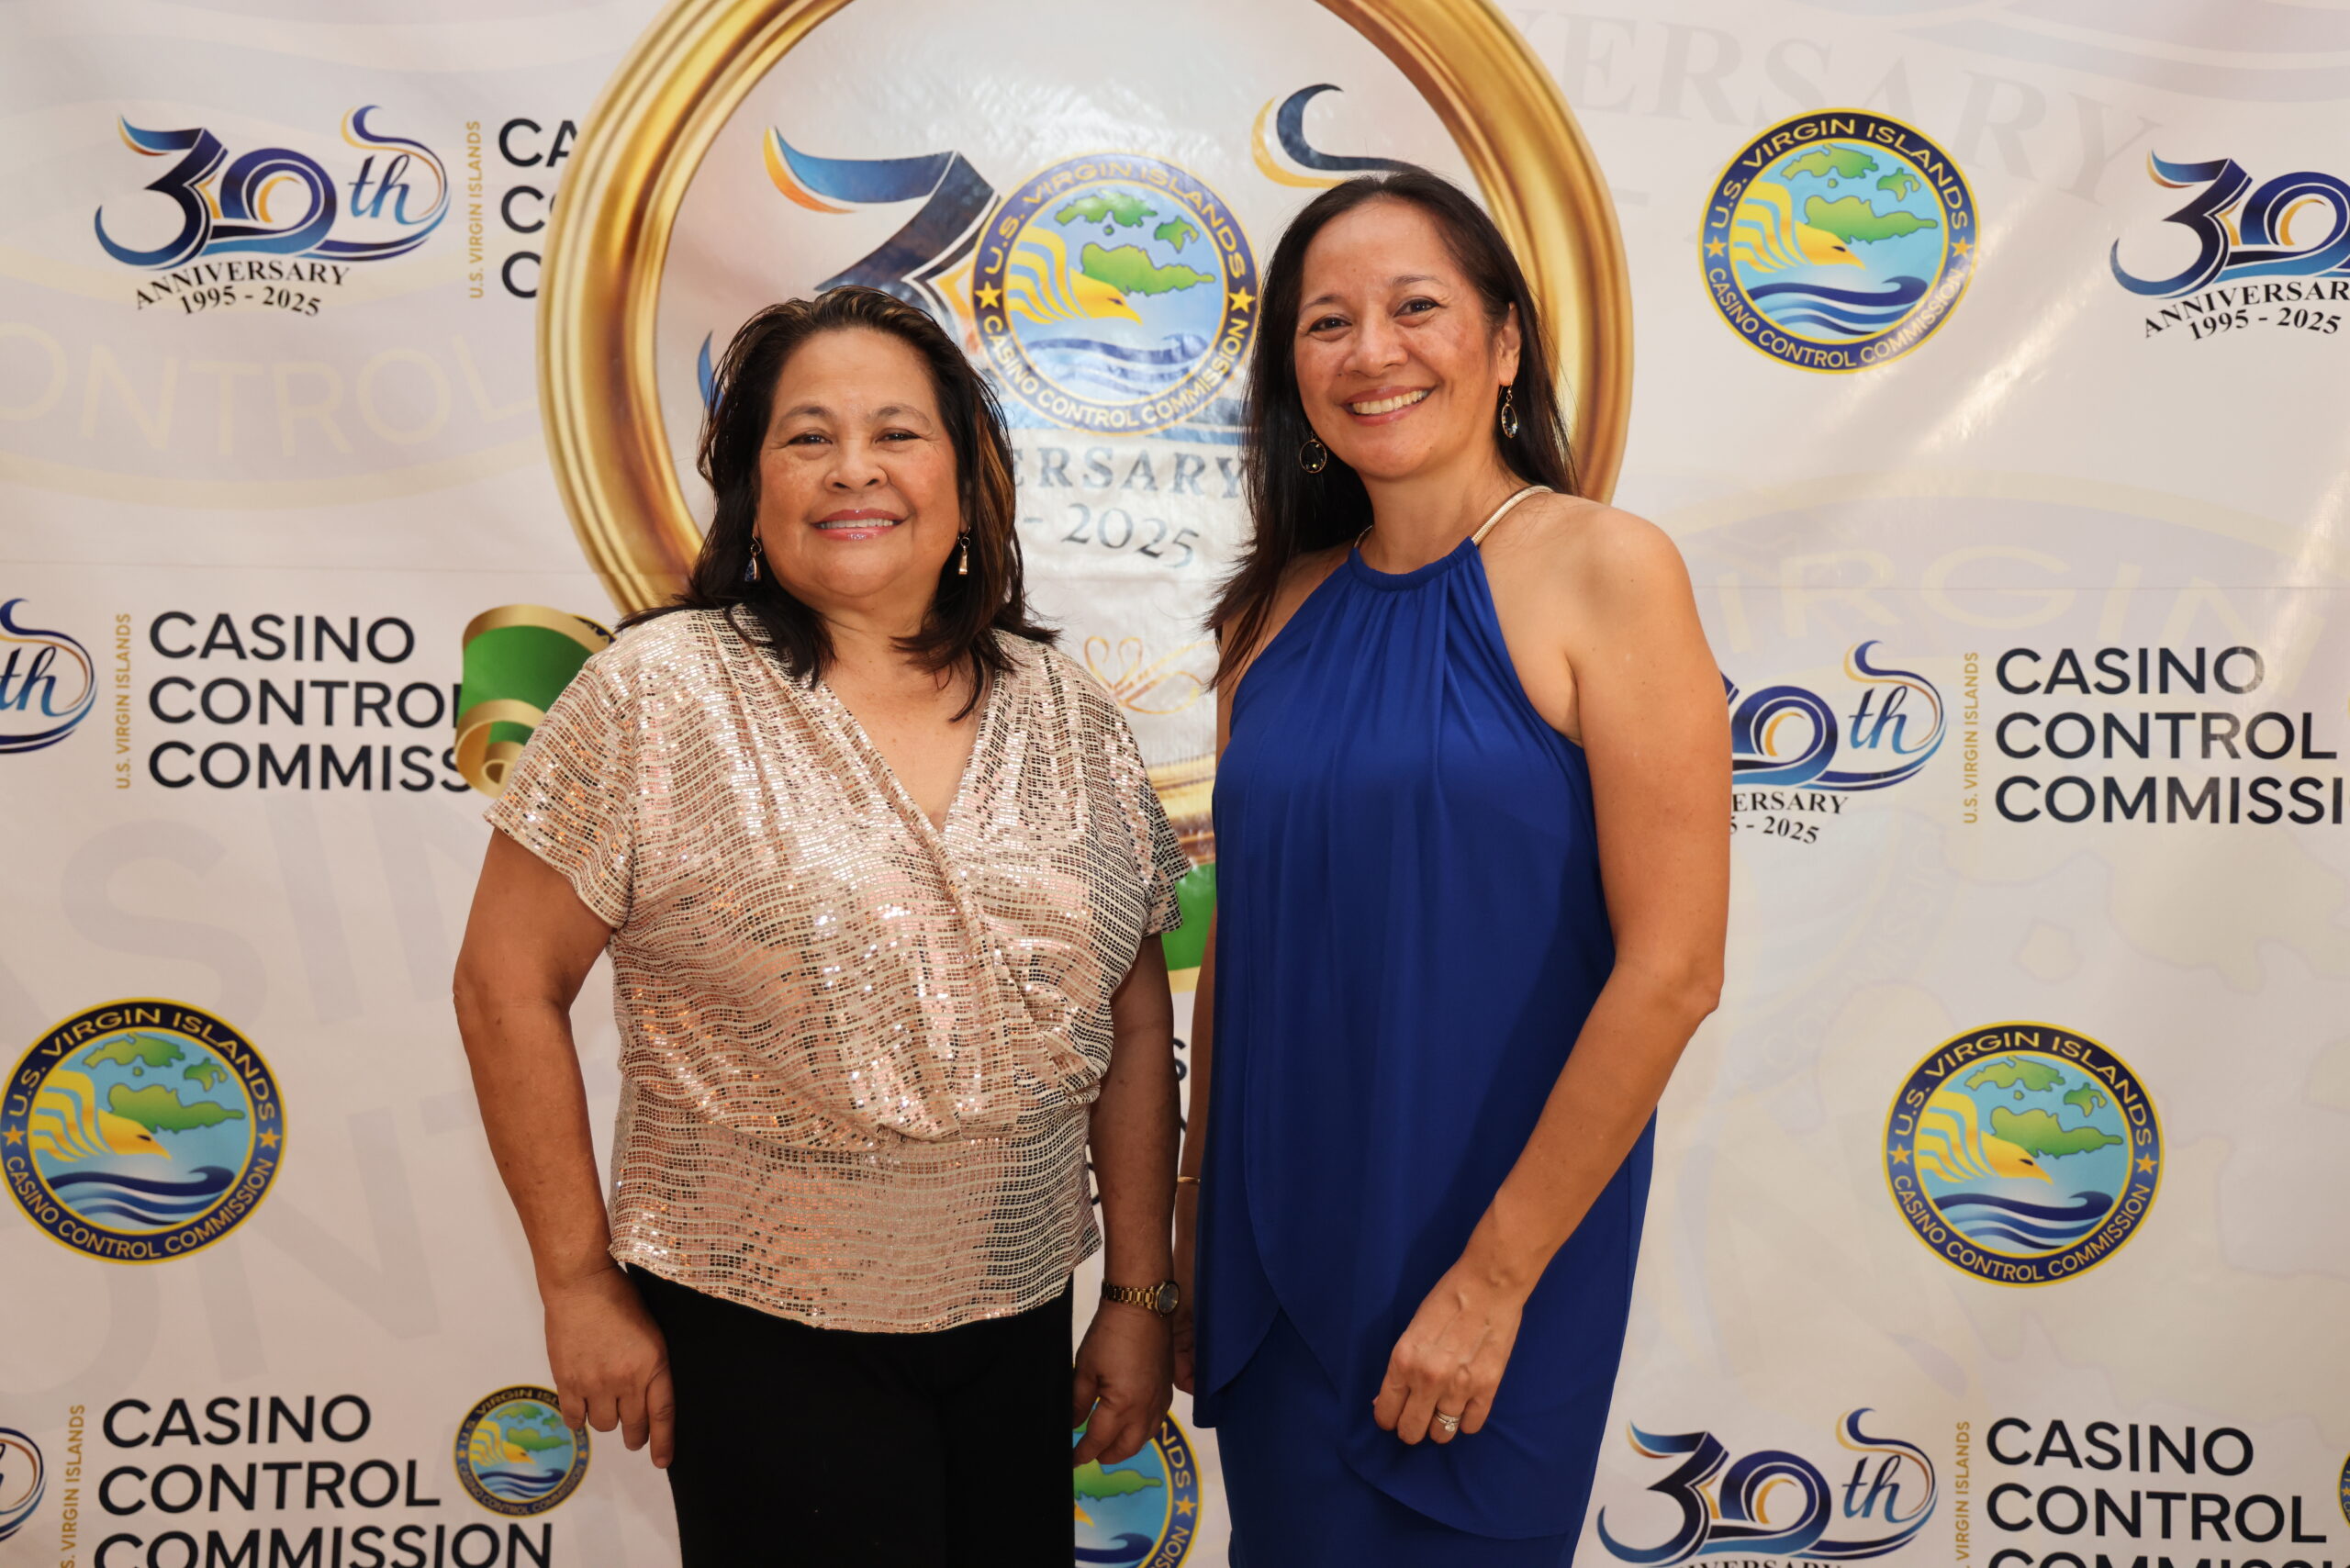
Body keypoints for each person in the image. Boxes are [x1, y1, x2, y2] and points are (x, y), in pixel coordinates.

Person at [452, 286, 1192, 1565]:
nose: (855, 468)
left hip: (1016, 1320)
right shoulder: (656, 694)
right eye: (808, 437)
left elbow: (1132, 1022)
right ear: (753, 489)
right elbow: (503, 985)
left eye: (897, 432)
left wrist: (1134, 1292)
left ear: (968, 482)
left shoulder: (1066, 712)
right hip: (756, 1329)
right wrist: (576, 1281)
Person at [1176, 169, 1730, 1563]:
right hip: (1274, 1259)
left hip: (1499, 1263)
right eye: (1327, 323)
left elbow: (1673, 971)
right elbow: (1239, 947)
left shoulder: (1610, 568)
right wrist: (1191, 1237)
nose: (1372, 351)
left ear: (1505, 343)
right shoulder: (1267, 615)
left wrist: (1493, 1281)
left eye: (1415, 306)